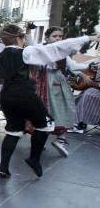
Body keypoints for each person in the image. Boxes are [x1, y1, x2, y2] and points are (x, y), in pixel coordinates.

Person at [0, 8, 98, 177]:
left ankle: (3, 167)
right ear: (19, 38)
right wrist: (88, 38)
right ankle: (34, 159)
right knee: (46, 124)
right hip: (25, 95)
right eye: (23, 37)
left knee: (13, 130)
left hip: (7, 96)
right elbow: (57, 48)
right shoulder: (26, 53)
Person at [30, 26, 80, 157]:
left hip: (58, 84)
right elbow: (32, 45)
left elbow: (73, 66)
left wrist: (90, 65)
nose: (58, 38)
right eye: (54, 36)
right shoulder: (42, 49)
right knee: (45, 113)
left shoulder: (62, 52)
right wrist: (28, 32)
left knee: (62, 110)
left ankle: (60, 140)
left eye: (60, 36)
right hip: (44, 85)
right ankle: (40, 143)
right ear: (46, 38)